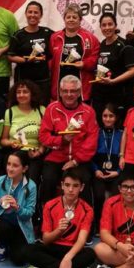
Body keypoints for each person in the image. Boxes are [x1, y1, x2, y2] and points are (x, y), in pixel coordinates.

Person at [15, 169, 95, 268]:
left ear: (81, 187)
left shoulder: (87, 210)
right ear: (62, 186)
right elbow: (46, 239)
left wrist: (67, 258)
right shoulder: (50, 205)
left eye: (75, 186)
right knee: (29, 250)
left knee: (90, 254)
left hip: (72, 250)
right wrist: (58, 230)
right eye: (67, 185)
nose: (71, 189)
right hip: (53, 247)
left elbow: (82, 240)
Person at [39, 76, 99, 213]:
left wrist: (76, 161)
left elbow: (91, 141)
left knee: (84, 182)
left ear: (79, 92)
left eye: (73, 91)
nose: (69, 94)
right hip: (56, 157)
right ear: (60, 91)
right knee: (48, 180)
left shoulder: (88, 111)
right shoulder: (51, 109)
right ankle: (46, 218)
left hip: (79, 160)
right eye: (65, 91)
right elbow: (43, 137)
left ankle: (86, 222)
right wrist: (62, 140)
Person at [0, 151, 37, 265]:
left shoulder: (31, 186)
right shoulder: (0, 181)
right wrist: (0, 200)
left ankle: (12, 245)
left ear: (24, 169)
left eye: (15, 165)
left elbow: (29, 213)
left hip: (21, 226)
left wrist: (17, 207)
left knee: (19, 260)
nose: (10, 168)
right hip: (4, 224)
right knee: (0, 226)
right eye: (8, 164)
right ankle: (3, 243)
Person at [0, 79, 47, 189]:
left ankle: (30, 205)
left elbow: (46, 137)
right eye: (18, 92)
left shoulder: (42, 110)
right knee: (14, 178)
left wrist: (40, 151)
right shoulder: (10, 112)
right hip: (16, 152)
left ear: (32, 94)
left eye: (25, 92)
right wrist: (12, 143)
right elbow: (3, 140)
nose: (21, 95)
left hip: (35, 153)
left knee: (32, 180)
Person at [90, 12, 134, 121]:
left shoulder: (124, 45)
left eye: (110, 24)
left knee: (117, 126)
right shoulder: (101, 44)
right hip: (101, 95)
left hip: (118, 94)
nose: (107, 28)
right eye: (104, 25)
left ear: (115, 26)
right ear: (100, 27)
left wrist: (113, 81)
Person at [49, 3, 100, 102]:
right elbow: (50, 59)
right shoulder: (55, 37)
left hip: (82, 86)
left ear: (80, 20)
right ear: (64, 19)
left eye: (74, 17)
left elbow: (96, 58)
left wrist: (84, 64)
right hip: (60, 85)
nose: (71, 19)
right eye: (68, 17)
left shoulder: (90, 38)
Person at [7, 1, 53, 103]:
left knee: (42, 108)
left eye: (36, 12)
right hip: (24, 80)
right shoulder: (18, 35)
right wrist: (26, 60)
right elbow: (10, 56)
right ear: (26, 14)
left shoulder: (47, 33)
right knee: (25, 106)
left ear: (41, 15)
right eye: (30, 12)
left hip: (43, 80)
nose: (32, 15)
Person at [90, 104, 123, 233]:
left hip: (115, 171)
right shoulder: (96, 133)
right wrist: (95, 170)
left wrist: (118, 172)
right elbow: (89, 155)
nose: (108, 119)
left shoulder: (121, 134)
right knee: (99, 195)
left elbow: (125, 154)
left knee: (115, 196)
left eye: (111, 116)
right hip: (98, 171)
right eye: (105, 116)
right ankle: (98, 225)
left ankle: (114, 226)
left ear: (116, 118)